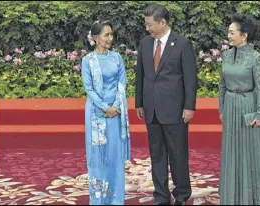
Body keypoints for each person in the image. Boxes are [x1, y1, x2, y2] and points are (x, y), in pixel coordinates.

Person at [135, 4, 198, 205]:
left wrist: (189, 106)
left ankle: (181, 195)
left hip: (175, 111)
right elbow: (141, 76)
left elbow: (190, 79)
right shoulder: (145, 44)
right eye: (146, 24)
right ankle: (161, 196)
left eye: (150, 24)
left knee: (178, 155)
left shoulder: (182, 44)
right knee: (157, 156)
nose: (147, 28)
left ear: (163, 22)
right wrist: (139, 103)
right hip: (151, 110)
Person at [218, 14, 260, 205]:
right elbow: (222, 85)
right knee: (231, 151)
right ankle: (232, 196)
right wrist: (222, 108)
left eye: (232, 32)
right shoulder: (225, 55)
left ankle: (254, 197)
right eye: (228, 32)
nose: (228, 35)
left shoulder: (256, 58)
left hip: (248, 107)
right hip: (230, 107)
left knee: (251, 152)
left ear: (244, 35)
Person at [81, 20, 130, 205]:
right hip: (96, 114)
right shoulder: (88, 61)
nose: (110, 38)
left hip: (116, 114)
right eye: (106, 35)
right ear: (95, 38)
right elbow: (89, 89)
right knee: (99, 158)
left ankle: (116, 200)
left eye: (111, 34)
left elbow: (122, 84)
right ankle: (99, 200)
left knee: (115, 157)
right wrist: (104, 108)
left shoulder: (117, 58)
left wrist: (115, 107)